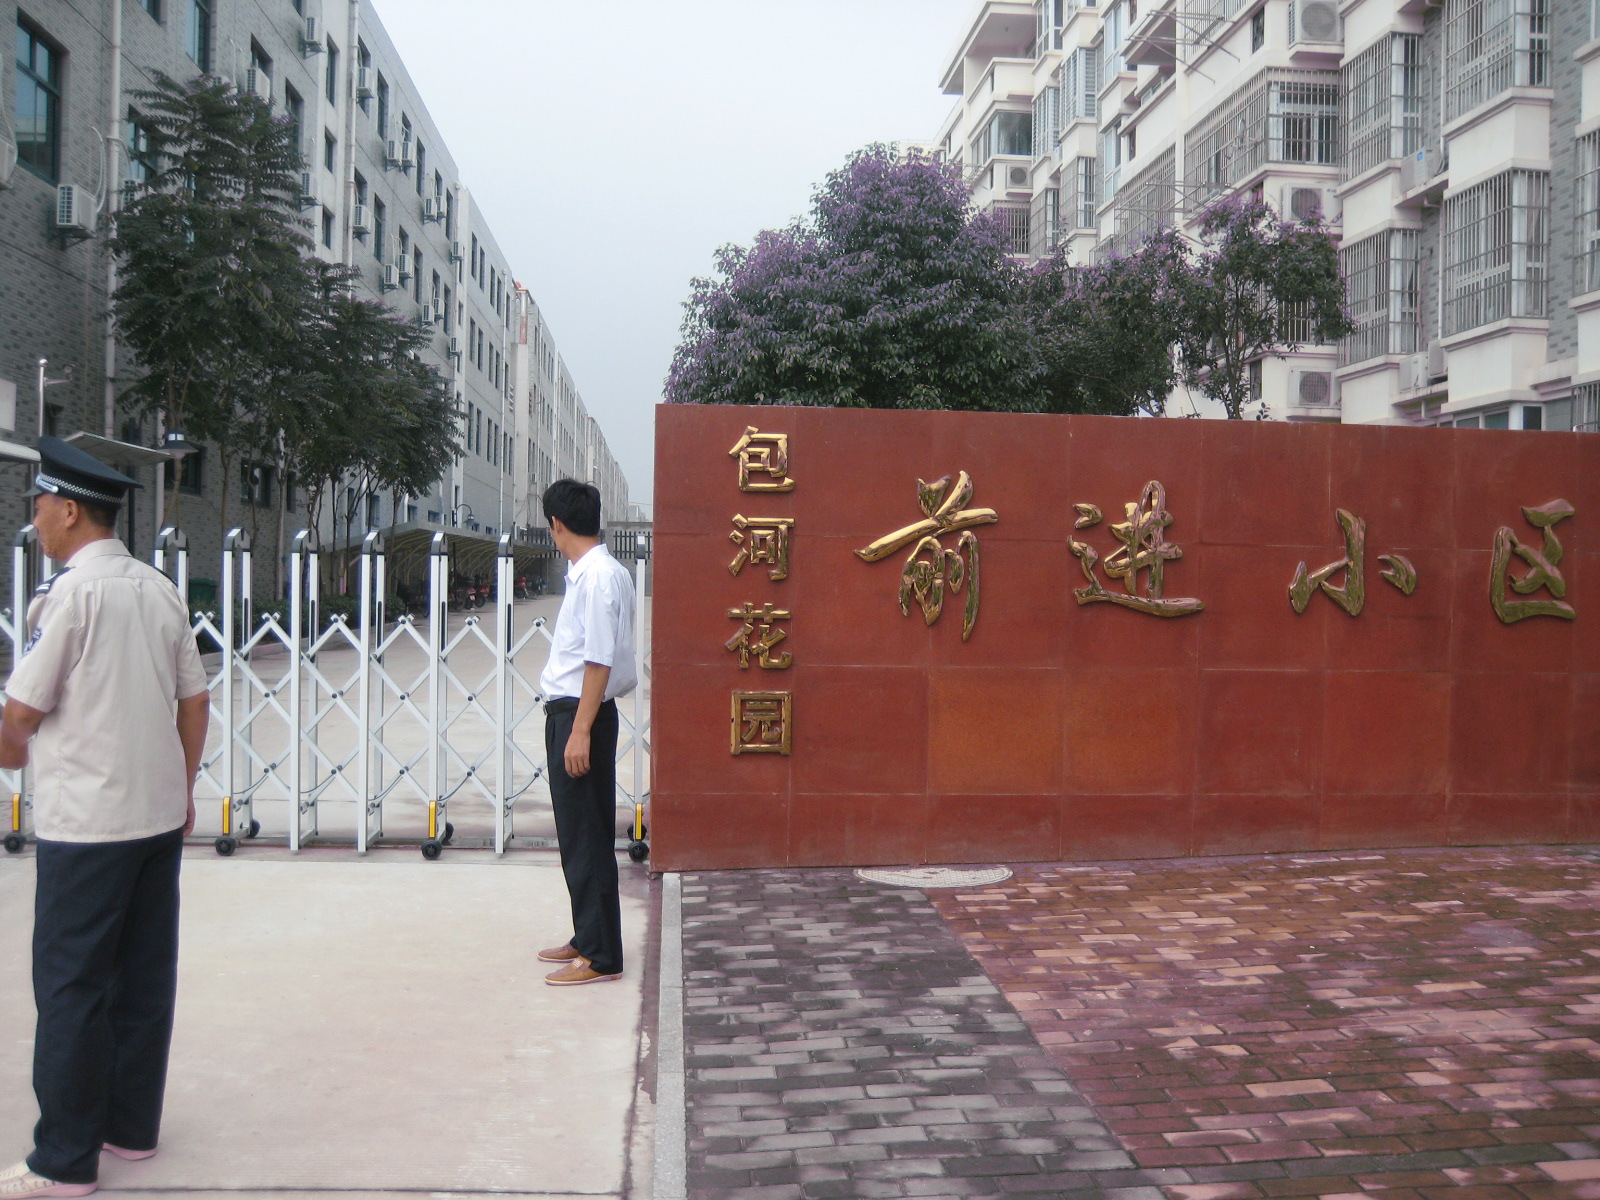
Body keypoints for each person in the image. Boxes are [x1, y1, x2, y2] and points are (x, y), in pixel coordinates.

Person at [0, 438, 210, 1198]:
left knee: (72, 988)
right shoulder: (159, 589)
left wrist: (10, 750)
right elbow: (195, 700)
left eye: (40, 507)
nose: (35, 521)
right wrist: (182, 788)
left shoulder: (70, 597)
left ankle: (62, 1161)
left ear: (67, 510)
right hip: (155, 818)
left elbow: (22, 711)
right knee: (143, 979)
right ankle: (130, 1129)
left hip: (86, 826)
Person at [536, 479, 637, 986]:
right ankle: (587, 935)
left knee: (587, 835)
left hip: (582, 715)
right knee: (579, 832)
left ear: (557, 524)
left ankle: (600, 955)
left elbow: (598, 661)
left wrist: (579, 732)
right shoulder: (601, 572)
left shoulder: (596, 578)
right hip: (578, 713)